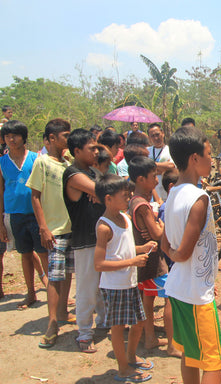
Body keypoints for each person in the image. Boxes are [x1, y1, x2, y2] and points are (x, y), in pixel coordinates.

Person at [162, 126, 221, 383]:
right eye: (209, 154)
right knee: (214, 362)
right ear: (194, 158)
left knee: (190, 354)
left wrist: (171, 252)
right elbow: (184, 252)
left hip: (179, 287)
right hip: (194, 294)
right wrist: (175, 254)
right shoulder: (199, 198)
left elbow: (165, 241)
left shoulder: (173, 193)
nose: (212, 160)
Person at [93, 174, 156, 383]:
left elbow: (124, 249)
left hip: (129, 282)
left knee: (139, 322)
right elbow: (99, 264)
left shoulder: (125, 218)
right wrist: (132, 262)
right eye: (124, 195)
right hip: (114, 286)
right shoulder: (104, 227)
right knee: (118, 329)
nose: (129, 197)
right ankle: (122, 368)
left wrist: (142, 249)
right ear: (108, 199)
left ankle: (130, 357)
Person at [27, 119, 76, 348]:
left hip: (71, 227)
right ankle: (52, 322)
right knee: (54, 277)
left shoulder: (68, 163)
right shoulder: (42, 163)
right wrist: (43, 227)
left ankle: (64, 311)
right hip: (54, 229)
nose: (68, 139)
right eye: (65, 135)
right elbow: (35, 196)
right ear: (52, 138)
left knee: (66, 274)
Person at [128, 156, 180, 358]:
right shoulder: (142, 205)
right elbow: (158, 235)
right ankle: (172, 344)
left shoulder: (135, 201)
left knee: (148, 296)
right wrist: (165, 225)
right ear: (141, 179)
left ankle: (150, 337)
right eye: (153, 177)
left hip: (145, 262)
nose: (157, 181)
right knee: (171, 296)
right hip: (153, 261)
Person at [63, 128, 106, 353]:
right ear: (77, 151)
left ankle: (104, 322)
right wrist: (100, 191)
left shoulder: (91, 172)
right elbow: (104, 190)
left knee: (101, 285)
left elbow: (107, 189)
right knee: (87, 288)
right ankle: (84, 333)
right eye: (92, 148)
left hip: (100, 237)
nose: (96, 151)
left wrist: (101, 191)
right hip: (85, 238)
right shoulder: (72, 174)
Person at [0, 120, 48, 310]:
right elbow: (1, 191)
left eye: (15, 135)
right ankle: (31, 293)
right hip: (14, 215)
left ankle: (54, 291)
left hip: (37, 214)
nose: (11, 139)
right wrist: (1, 222)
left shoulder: (36, 159)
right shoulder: (2, 163)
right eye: (7, 136)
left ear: (24, 137)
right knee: (25, 254)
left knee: (44, 254)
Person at [147, 123, 175, 203]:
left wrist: (152, 165)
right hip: (152, 195)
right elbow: (145, 169)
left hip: (167, 194)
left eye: (157, 134)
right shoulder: (147, 151)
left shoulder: (170, 150)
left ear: (162, 134)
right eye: (152, 136)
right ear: (149, 137)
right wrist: (163, 167)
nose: (156, 138)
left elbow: (171, 167)